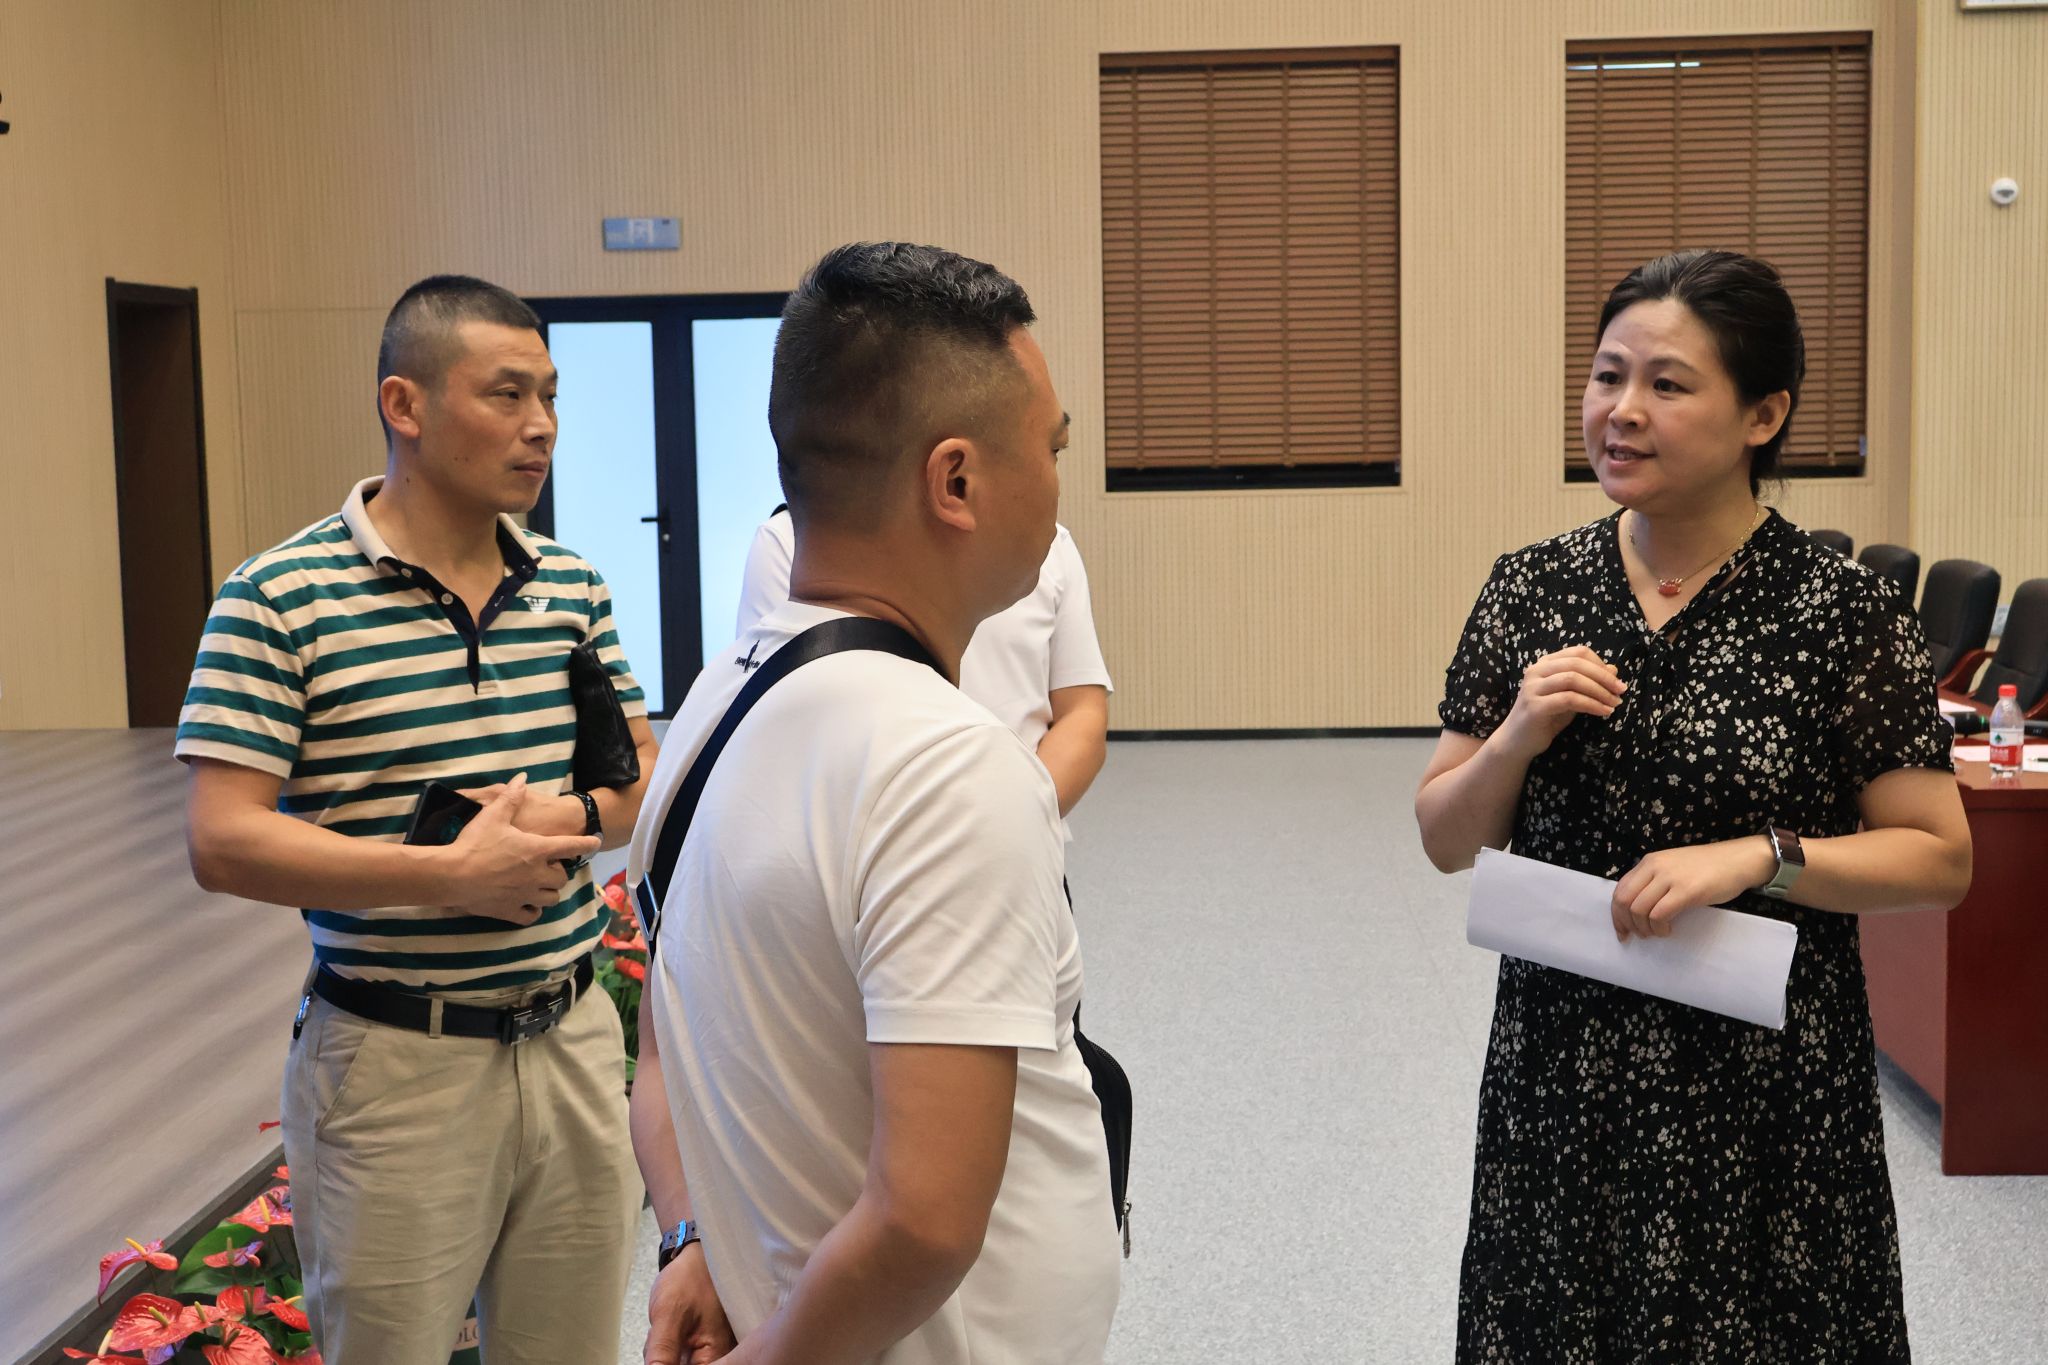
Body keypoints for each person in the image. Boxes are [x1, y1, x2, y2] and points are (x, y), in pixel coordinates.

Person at [1414, 248, 1973, 1363]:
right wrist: (1516, 734)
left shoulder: (1843, 614)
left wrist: (1761, 855)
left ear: (1763, 414)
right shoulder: (1530, 586)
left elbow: (1938, 856)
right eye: (1606, 375)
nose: (1620, 410)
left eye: (1666, 384)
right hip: (1564, 1073)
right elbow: (1443, 838)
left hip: (1765, 1086)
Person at [626, 242, 1122, 1365]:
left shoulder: (714, 702)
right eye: (1049, 449)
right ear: (956, 482)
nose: (1058, 485)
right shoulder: (947, 768)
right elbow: (922, 1221)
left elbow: (661, 1059)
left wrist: (690, 1238)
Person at [177, 275, 660, 1365]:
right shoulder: (279, 597)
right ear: (405, 404)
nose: (541, 426)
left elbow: (636, 771)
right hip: (395, 1061)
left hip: (575, 1038)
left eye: (549, 395)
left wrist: (561, 817)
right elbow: (221, 837)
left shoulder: (568, 587)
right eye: (506, 394)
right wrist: (446, 874)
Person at [735, 509, 1111, 820]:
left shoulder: (1049, 544)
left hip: (1020, 834)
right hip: (858, 851)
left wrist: (1016, 823)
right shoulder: (789, 541)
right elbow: (775, 727)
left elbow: (1082, 710)